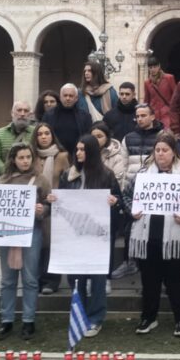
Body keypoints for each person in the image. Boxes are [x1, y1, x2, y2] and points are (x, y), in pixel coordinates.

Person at [124, 132, 180, 338]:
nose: (161, 154)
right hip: (147, 236)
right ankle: (148, 317)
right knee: (149, 280)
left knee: (176, 281)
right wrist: (132, 210)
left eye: (165, 150)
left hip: (175, 237)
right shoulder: (143, 174)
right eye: (157, 150)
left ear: (173, 153)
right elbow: (126, 195)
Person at [53, 134, 121, 339]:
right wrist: (54, 199)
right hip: (75, 236)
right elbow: (63, 201)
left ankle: (96, 317)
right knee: (77, 278)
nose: (79, 153)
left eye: (83, 150)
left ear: (91, 152)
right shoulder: (68, 175)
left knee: (98, 279)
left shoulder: (106, 175)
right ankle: (79, 314)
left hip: (98, 236)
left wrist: (113, 201)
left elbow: (118, 199)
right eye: (77, 149)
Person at [0, 143, 52, 340]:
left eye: (28, 157)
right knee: (7, 279)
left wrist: (43, 210)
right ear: (13, 160)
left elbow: (49, 204)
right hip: (7, 233)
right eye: (21, 157)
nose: (25, 161)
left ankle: (28, 321)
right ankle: (6, 320)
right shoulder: (3, 179)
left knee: (30, 279)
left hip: (31, 232)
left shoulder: (41, 180)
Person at [114, 103, 163, 280]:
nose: (140, 119)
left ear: (152, 116)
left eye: (144, 115)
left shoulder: (162, 136)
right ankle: (129, 262)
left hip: (155, 192)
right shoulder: (128, 138)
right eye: (138, 116)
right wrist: (123, 186)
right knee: (129, 228)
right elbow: (123, 165)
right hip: (133, 191)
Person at [31, 122, 70, 295]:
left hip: (55, 206)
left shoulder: (62, 156)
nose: (44, 136)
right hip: (34, 206)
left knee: (51, 245)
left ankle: (51, 281)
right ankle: (36, 279)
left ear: (52, 135)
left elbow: (69, 179)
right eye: (40, 134)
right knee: (36, 244)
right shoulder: (30, 156)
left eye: (47, 133)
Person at [0, 100, 35, 180]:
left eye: (26, 111)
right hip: (7, 180)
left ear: (30, 115)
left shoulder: (36, 132)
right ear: (12, 113)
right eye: (19, 110)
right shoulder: (0, 133)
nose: (22, 114)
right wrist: (8, 173)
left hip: (30, 179)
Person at [43, 84, 91, 157]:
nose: (68, 98)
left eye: (71, 96)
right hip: (54, 156)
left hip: (77, 156)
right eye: (65, 95)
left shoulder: (85, 116)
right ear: (60, 97)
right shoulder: (49, 115)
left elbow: (88, 138)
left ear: (76, 98)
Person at [90, 122, 128, 191]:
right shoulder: (85, 154)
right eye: (93, 137)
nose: (95, 140)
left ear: (107, 138)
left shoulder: (117, 157)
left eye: (99, 136)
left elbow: (117, 181)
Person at [143, 57, 177, 131]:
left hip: (167, 113)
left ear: (159, 66)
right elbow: (147, 100)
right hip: (154, 114)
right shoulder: (147, 82)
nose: (153, 69)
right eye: (150, 67)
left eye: (155, 67)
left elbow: (175, 96)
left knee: (166, 134)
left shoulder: (169, 78)